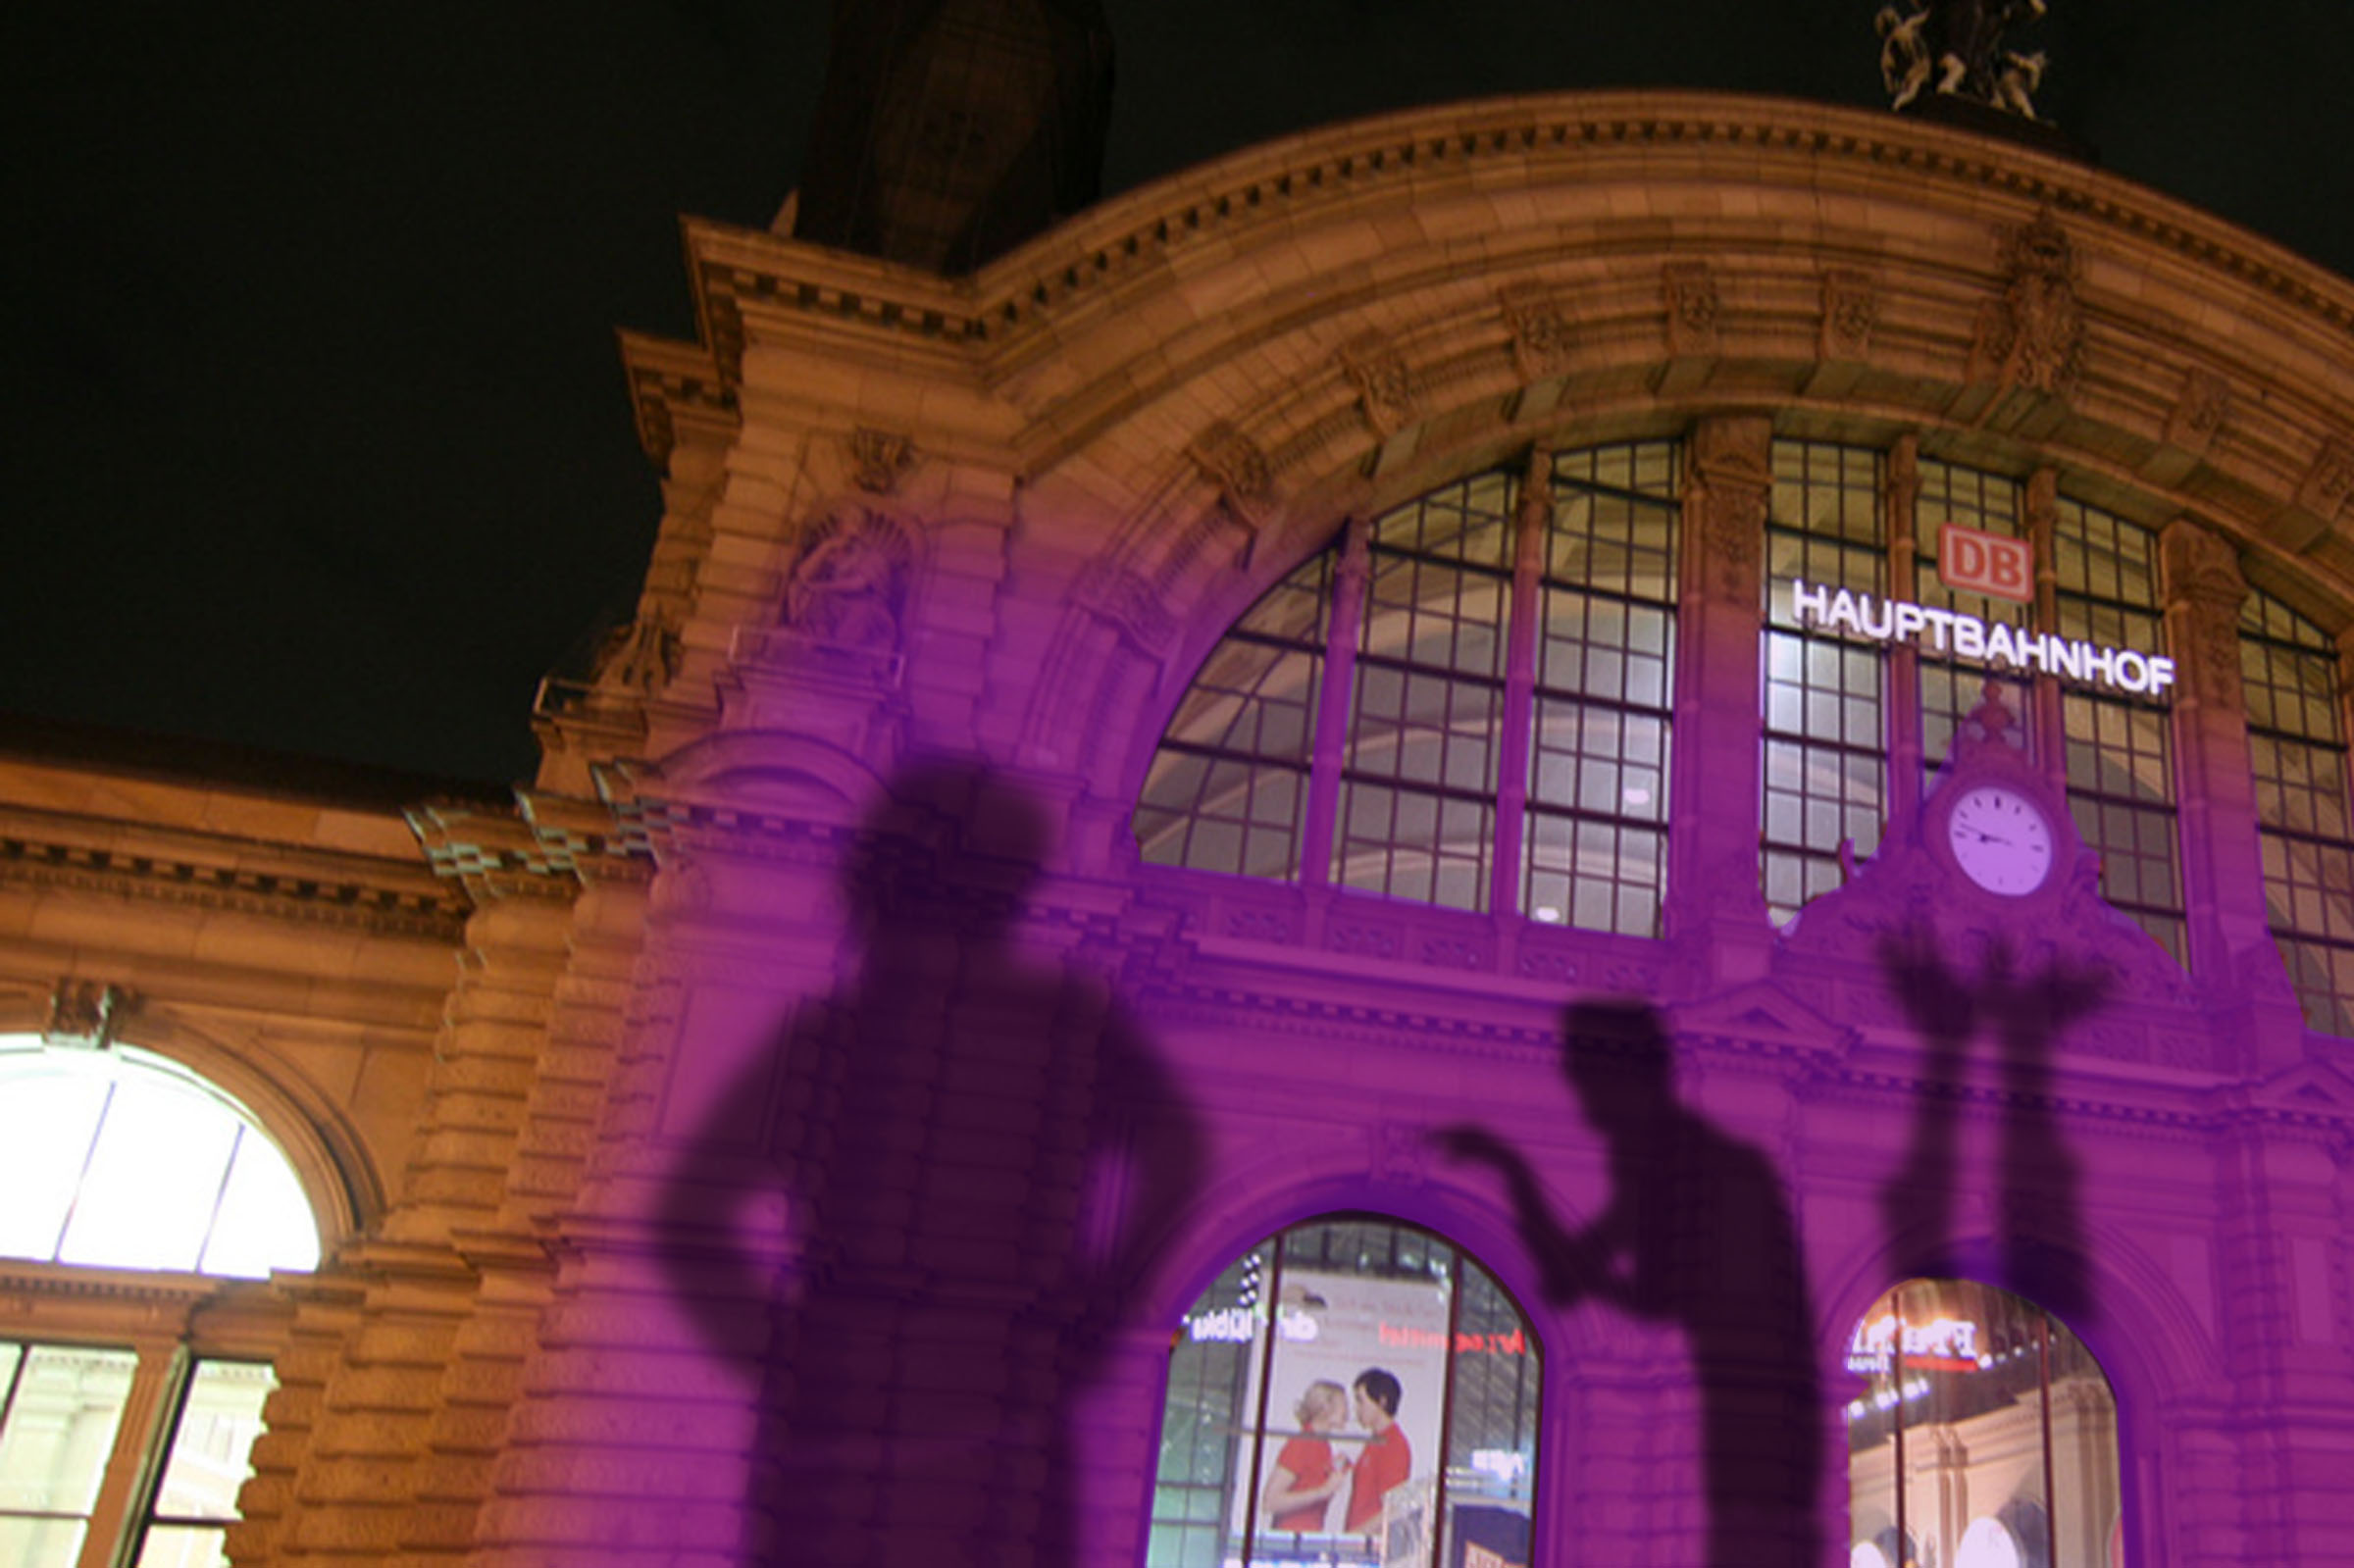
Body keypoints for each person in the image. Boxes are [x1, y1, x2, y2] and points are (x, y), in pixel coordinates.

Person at [1261, 1381, 1350, 1533]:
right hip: (1290, 1537)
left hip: (1310, 1534)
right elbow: (1270, 1502)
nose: (1347, 1413)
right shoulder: (1301, 1443)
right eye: (1344, 1405)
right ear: (1325, 1408)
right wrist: (1323, 1491)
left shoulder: (1323, 1446)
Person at [1343, 1368, 1410, 1536]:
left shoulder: (1393, 1445)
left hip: (1370, 1543)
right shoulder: (1375, 1441)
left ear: (1381, 1402)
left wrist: (1356, 1535)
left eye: (1361, 1401)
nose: (1357, 1409)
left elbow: (1393, 1508)